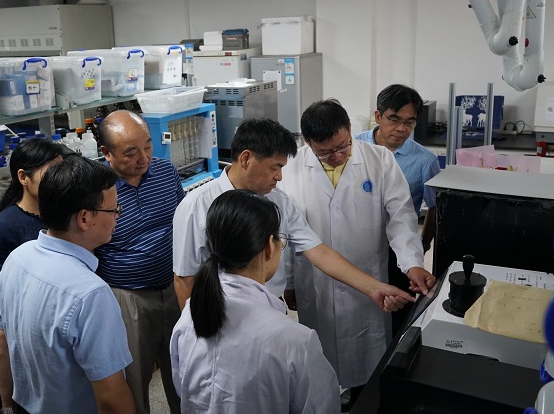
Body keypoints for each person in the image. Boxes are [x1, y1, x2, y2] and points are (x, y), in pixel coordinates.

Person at [278, 99, 435, 409]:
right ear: (307, 142)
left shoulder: (379, 161)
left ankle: (364, 400)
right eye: (325, 152)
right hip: (315, 281)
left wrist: (412, 264)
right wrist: (290, 282)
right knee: (319, 358)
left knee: (369, 358)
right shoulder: (291, 169)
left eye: (343, 146)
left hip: (368, 279)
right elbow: (285, 233)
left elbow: (401, 218)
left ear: (350, 129)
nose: (337, 156)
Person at [172, 117, 414, 315]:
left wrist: (374, 288)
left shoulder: (277, 200)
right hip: (222, 313)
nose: (279, 177)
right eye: (274, 167)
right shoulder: (197, 206)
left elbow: (318, 251)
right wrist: (200, 334)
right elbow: (185, 280)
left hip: (270, 307)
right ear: (246, 158)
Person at [171, 190, 340, 413]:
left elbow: (182, 386)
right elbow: (321, 408)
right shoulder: (295, 340)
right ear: (270, 246)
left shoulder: (190, 315)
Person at [0, 155, 135, 414]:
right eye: (114, 210)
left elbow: (1, 341)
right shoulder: (90, 294)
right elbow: (111, 398)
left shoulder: (18, 258)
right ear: (84, 218)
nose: (118, 217)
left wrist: (6, 407)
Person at [95, 110, 183, 414]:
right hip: (127, 298)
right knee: (133, 380)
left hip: (175, 286)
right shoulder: (95, 189)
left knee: (184, 371)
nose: (144, 158)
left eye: (148, 146)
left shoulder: (165, 171)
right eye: (131, 152)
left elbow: (183, 222)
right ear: (106, 153)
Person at [0, 138, 65, 413]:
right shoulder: (4, 229)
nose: (59, 179)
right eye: (50, 172)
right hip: (27, 354)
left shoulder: (58, 215)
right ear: (23, 177)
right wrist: (23, 350)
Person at [355, 84, 441, 334]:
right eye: (394, 119)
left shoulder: (425, 161)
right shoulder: (353, 148)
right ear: (378, 116)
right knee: (359, 307)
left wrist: (423, 244)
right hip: (357, 244)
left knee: (398, 311)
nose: (402, 128)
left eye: (409, 122)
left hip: (399, 250)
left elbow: (433, 207)